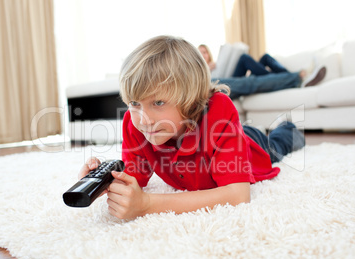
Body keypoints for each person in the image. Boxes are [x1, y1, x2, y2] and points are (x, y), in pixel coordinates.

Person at [79, 36, 305, 220]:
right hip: (227, 133)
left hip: (250, 144)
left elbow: (237, 195)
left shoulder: (220, 110)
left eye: (158, 103)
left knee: (278, 143)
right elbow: (135, 175)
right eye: (135, 103)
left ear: (192, 99)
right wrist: (106, 182)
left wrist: (147, 204)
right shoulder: (135, 123)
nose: (144, 119)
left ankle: (287, 127)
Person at [199, 44, 326, 99]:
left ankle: (288, 76)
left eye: (204, 52)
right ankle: (298, 77)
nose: (202, 54)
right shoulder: (201, 71)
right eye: (199, 53)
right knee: (251, 82)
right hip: (216, 86)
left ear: (209, 54)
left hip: (228, 80)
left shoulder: (216, 64)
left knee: (255, 58)